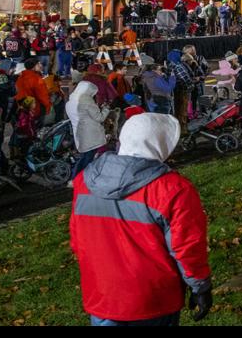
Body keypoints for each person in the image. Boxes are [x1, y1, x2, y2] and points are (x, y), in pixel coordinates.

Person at [69, 113, 212, 326]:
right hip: (153, 299)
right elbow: (187, 248)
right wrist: (200, 287)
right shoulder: (173, 189)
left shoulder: (85, 182)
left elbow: (78, 240)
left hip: (103, 294)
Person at [66, 80, 110, 183]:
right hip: (90, 134)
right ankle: (77, 179)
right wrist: (106, 109)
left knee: (85, 156)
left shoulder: (71, 100)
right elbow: (100, 118)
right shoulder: (87, 101)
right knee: (87, 158)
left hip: (79, 133)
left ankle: (76, 179)